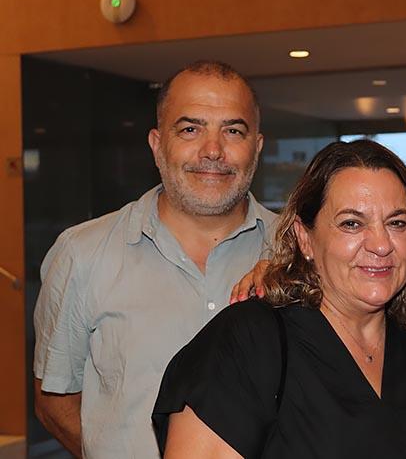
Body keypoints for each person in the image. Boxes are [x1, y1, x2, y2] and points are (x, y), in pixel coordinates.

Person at [152, 140, 406, 459]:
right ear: (304, 237)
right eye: (352, 223)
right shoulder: (250, 341)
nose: (381, 245)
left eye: (397, 223)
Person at [33, 60, 276, 458]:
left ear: (257, 147)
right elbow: (55, 403)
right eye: (190, 129)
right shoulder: (82, 254)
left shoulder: (301, 253)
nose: (212, 150)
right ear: (157, 144)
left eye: (233, 130)